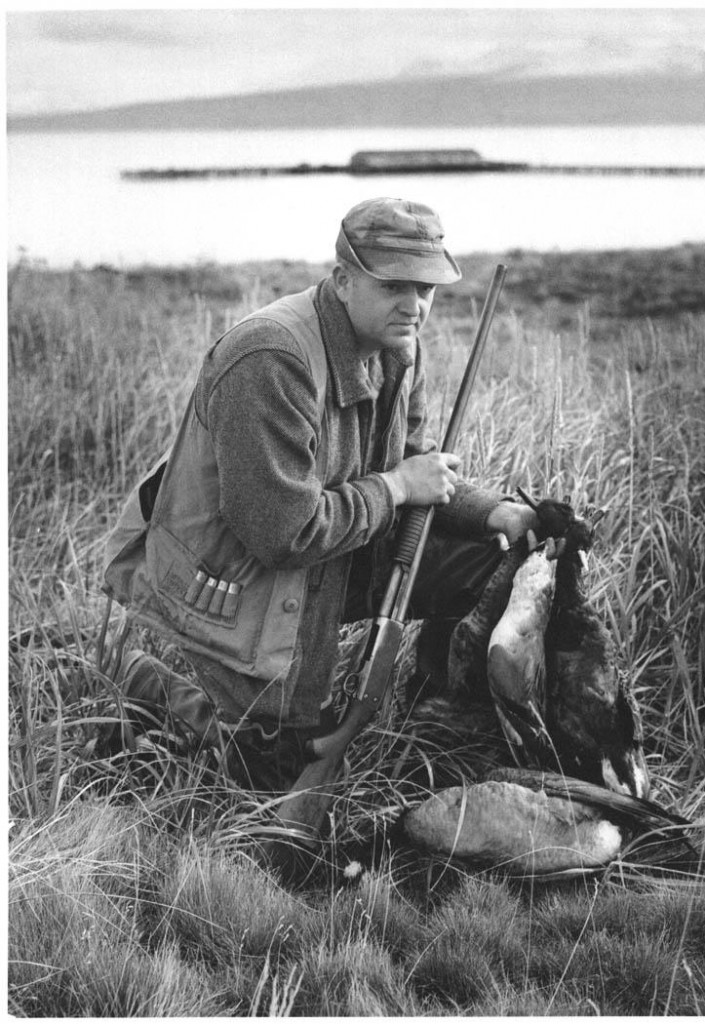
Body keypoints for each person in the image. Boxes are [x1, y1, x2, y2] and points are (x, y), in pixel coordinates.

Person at [100, 197, 545, 793]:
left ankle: (437, 718)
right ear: (342, 280)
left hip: (330, 547)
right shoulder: (271, 359)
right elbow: (284, 535)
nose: (414, 306)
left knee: (494, 564)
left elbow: (416, 467)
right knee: (271, 769)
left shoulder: (399, 344)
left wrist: (491, 510)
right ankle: (145, 682)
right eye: (393, 285)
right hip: (236, 580)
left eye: (426, 288)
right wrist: (394, 487)